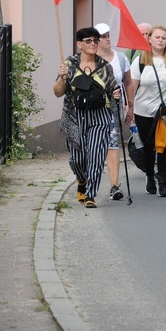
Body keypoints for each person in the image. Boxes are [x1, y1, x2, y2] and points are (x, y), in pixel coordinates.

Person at [54, 27, 120, 208]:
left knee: (97, 155)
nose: (93, 44)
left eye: (95, 40)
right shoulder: (69, 65)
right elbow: (58, 93)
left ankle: (90, 194)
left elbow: (113, 89)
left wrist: (116, 95)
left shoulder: (105, 67)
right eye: (88, 41)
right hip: (75, 116)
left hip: (100, 116)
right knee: (77, 158)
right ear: (79, 44)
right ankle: (82, 179)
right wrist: (61, 78)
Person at [130, 26, 166, 197]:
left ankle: (163, 182)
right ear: (149, 39)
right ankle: (150, 175)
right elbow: (132, 86)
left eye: (164, 38)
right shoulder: (140, 61)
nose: (160, 40)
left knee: (165, 147)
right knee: (148, 148)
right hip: (144, 111)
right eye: (157, 37)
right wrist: (129, 108)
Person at [94, 23, 135, 201]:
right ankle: (89, 182)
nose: (107, 38)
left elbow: (128, 83)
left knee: (112, 143)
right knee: (94, 145)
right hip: (94, 108)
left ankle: (114, 185)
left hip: (114, 106)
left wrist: (130, 107)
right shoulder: (89, 59)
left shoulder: (120, 57)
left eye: (109, 35)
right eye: (103, 36)